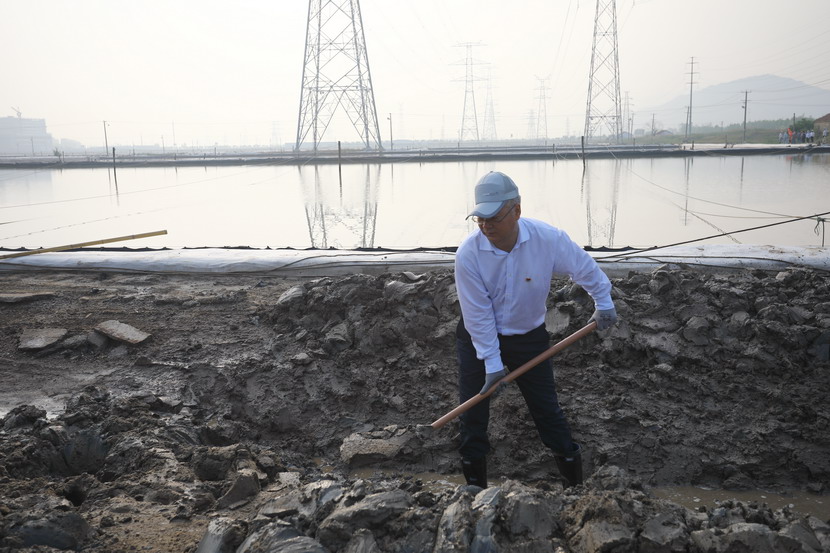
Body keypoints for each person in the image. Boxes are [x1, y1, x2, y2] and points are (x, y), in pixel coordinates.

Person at [454, 171, 618, 489]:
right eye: (480, 219)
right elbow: (478, 316)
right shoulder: (469, 254)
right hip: (477, 340)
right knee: (472, 414)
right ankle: (474, 494)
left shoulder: (547, 239)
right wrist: (492, 362)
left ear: (516, 210)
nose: (486, 226)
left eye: (493, 218)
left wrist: (604, 300)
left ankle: (573, 489)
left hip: (528, 338)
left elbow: (583, 266)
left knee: (547, 410)